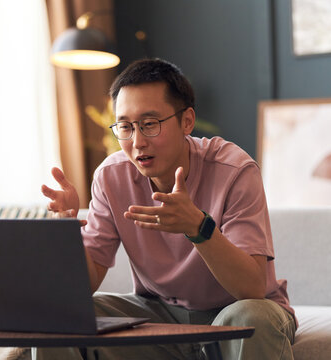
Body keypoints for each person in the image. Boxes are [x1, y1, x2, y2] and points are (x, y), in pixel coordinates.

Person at [37, 58, 296, 360]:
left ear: (187, 121)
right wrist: (65, 235)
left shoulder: (234, 170)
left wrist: (199, 229)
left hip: (233, 312)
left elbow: (251, 288)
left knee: (254, 318)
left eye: (149, 124)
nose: (137, 142)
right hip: (158, 317)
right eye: (125, 127)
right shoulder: (111, 176)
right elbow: (90, 277)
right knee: (57, 317)